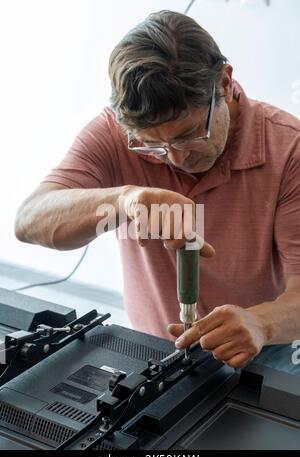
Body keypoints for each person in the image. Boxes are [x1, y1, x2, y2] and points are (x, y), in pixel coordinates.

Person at [15, 10, 300, 373]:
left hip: (265, 352)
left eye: (190, 135)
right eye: (153, 147)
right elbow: (29, 220)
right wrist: (123, 200)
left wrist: (261, 323)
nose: (176, 158)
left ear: (225, 83)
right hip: (152, 349)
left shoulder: (290, 150)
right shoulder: (117, 134)